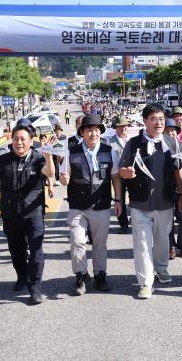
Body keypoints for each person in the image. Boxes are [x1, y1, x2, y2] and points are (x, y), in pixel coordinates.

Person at [0, 121, 54, 304]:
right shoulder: (4, 159)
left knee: (37, 250)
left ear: (31, 141)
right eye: (16, 139)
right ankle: (22, 277)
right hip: (10, 213)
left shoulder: (39, 157)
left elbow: (49, 173)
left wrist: (48, 156)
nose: (19, 143)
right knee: (17, 251)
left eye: (23, 139)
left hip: (33, 213)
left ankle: (35, 286)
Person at [118, 103, 182, 299]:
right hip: (140, 203)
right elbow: (121, 170)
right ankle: (146, 282)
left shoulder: (171, 143)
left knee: (163, 240)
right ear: (145, 121)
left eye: (162, 119)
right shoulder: (133, 143)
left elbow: (177, 171)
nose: (159, 123)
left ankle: (162, 268)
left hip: (165, 201)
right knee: (143, 244)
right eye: (154, 119)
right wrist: (126, 173)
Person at [60, 115, 122, 296]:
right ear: (82, 133)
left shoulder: (109, 151)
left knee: (100, 244)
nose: (93, 133)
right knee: (77, 241)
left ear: (100, 132)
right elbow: (64, 178)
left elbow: (115, 177)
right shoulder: (71, 151)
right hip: (78, 206)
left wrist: (118, 200)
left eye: (96, 130)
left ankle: (100, 275)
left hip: (101, 205)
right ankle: (80, 275)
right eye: (89, 130)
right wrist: (63, 179)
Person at [163, 118, 182, 259]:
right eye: (167, 131)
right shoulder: (161, 149)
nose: (170, 134)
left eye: (173, 131)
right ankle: (171, 246)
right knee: (167, 219)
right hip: (166, 189)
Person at [108, 116, 131, 233]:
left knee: (135, 197)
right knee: (119, 198)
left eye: (125, 126)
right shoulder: (110, 141)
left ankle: (136, 219)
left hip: (132, 174)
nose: (123, 129)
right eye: (120, 127)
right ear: (116, 128)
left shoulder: (132, 139)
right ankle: (123, 224)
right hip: (118, 174)